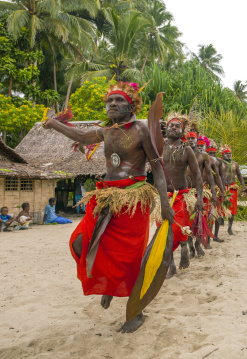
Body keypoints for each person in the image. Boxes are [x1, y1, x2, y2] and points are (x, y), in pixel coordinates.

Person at [43, 81, 173, 333]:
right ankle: (110, 286)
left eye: (119, 101)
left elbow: (156, 167)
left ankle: (136, 312)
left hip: (133, 199)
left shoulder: (142, 130)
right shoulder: (106, 131)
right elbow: (80, 136)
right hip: (105, 196)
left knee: (129, 258)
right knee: (81, 242)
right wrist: (54, 123)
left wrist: (164, 203)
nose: (112, 104)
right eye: (109, 101)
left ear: (131, 105)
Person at [162, 113, 205, 278]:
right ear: (166, 128)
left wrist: (200, 197)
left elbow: (197, 176)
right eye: (171, 125)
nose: (173, 127)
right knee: (164, 231)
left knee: (178, 228)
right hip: (163, 197)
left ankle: (184, 245)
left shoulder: (187, 150)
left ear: (182, 130)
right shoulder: (159, 147)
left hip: (181, 195)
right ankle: (171, 265)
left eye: (177, 126)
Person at [220, 145, 247, 236]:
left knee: (232, 209)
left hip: (232, 188)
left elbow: (239, 175)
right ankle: (219, 223)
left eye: (230, 153)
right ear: (223, 155)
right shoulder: (219, 163)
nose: (228, 155)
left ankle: (229, 228)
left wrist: (243, 185)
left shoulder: (235, 164)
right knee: (220, 207)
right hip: (222, 188)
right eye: (226, 153)